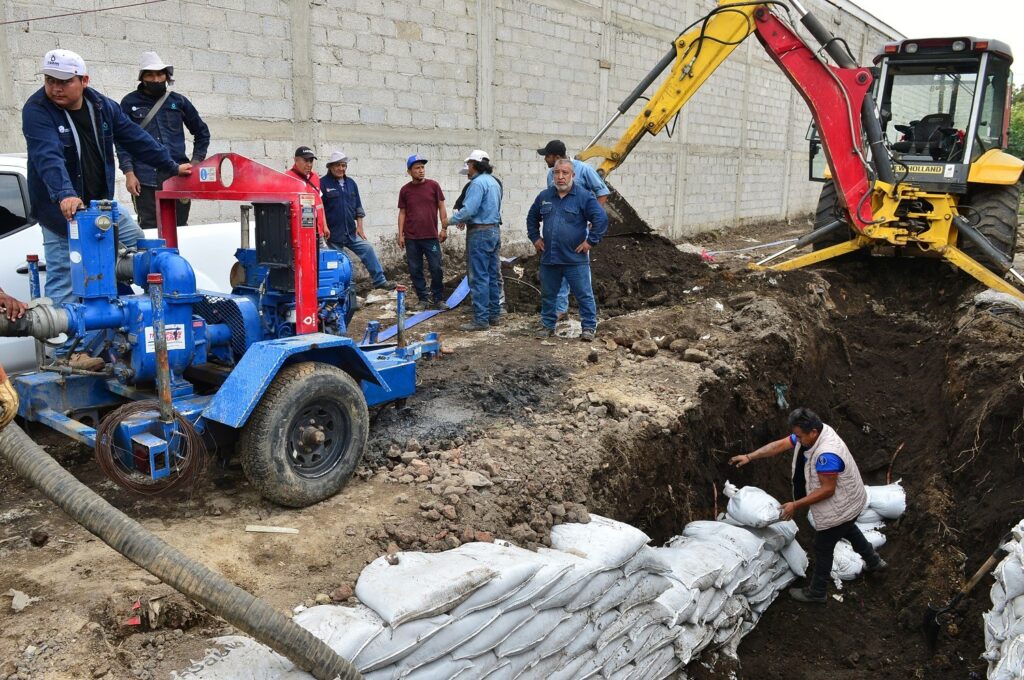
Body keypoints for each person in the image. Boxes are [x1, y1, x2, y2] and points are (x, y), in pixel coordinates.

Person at [23, 50, 191, 368]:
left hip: (101, 206)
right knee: (63, 276)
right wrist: (65, 194)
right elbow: (48, 156)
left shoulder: (100, 106)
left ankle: (140, 320)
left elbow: (135, 138)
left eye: (63, 81)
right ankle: (66, 354)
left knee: (142, 249)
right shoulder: (37, 110)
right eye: (49, 80)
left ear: (83, 81)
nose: (55, 88)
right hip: (63, 212)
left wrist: (170, 165)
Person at [729, 407, 887, 603]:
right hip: (851, 502)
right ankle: (873, 561)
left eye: (800, 436)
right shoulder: (816, 433)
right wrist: (750, 456)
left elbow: (827, 489)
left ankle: (817, 592)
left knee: (822, 546)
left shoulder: (826, 455)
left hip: (842, 505)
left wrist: (796, 505)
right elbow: (781, 444)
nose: (797, 440)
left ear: (812, 432)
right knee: (847, 528)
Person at [117, 51, 210, 229]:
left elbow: (202, 132)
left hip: (178, 175)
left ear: (167, 76)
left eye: (160, 74)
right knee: (150, 227)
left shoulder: (179, 101)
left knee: (179, 226)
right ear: (142, 78)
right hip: (144, 178)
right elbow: (122, 141)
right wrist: (129, 173)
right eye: (150, 74)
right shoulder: (129, 103)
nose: (156, 79)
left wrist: (196, 162)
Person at [526, 159, 607, 342]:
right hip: (550, 257)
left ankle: (588, 327)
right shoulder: (545, 196)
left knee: (583, 294)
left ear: (573, 176)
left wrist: (590, 242)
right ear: (552, 174)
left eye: (565, 173)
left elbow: (600, 219)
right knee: (548, 294)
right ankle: (547, 325)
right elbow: (531, 218)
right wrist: (535, 238)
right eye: (557, 173)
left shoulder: (584, 197)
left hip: (574, 258)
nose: (560, 177)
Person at [537, 139, 610, 322]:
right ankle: (560, 310)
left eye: (547, 155)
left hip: (578, 229)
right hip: (556, 232)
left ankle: (588, 319)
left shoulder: (584, 169)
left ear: (558, 156)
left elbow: (602, 191)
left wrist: (593, 222)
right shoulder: (551, 175)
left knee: (580, 273)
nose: (545, 159)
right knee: (556, 268)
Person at [320, 150, 395, 290]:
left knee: (367, 249)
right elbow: (320, 209)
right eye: (337, 165)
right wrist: (324, 227)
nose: (341, 168)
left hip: (351, 232)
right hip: (333, 234)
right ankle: (348, 291)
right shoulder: (323, 184)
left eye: (343, 165)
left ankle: (380, 281)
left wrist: (360, 227)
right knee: (343, 262)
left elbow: (358, 207)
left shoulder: (351, 183)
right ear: (330, 166)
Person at [448, 150, 502, 331]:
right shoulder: (494, 182)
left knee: (478, 276)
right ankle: (494, 315)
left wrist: (450, 221)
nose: (467, 170)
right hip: (493, 231)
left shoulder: (477, 184)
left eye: (469, 165)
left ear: (474, 164)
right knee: (493, 275)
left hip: (479, 233)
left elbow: (470, 209)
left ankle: (481, 319)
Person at [398, 154, 448, 310]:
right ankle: (423, 299)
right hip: (412, 238)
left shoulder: (433, 186)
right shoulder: (405, 190)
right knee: (415, 269)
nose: (421, 171)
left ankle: (438, 299)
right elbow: (402, 213)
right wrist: (400, 234)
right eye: (417, 168)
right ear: (409, 171)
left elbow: (441, 206)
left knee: (436, 267)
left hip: (431, 237)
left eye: (422, 167)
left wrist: (444, 228)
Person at [288, 146, 329, 240]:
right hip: (299, 234)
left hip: (318, 232)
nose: (309, 164)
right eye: (306, 160)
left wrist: (325, 226)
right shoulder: (288, 178)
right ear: (296, 160)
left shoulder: (315, 177)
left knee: (321, 253)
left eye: (311, 161)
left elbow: (320, 203)